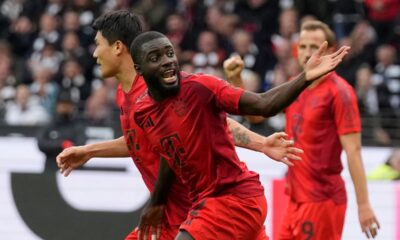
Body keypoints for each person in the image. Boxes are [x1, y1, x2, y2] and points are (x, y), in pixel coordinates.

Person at [56, 10, 304, 240]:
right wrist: (89, 151)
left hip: (195, 211)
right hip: (175, 213)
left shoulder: (160, 88)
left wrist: (261, 144)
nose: (95, 53)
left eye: (98, 45)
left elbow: (212, 122)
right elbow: (141, 142)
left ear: (118, 47)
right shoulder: (126, 94)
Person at [127, 31, 349, 239]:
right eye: (155, 57)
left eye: (169, 53)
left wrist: (305, 77)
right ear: (139, 69)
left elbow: (264, 105)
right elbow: (170, 151)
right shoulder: (141, 112)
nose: (167, 61)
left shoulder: (201, 87)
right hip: (208, 203)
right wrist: (157, 201)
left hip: (234, 199)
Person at [280, 20, 380, 239]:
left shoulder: (340, 93)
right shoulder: (294, 86)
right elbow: (258, 115)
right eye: (303, 46)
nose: (307, 53)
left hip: (322, 201)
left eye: (314, 47)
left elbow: (353, 151)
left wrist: (363, 204)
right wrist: (237, 80)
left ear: (330, 52)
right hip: (293, 199)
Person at [37, 90, 86, 170]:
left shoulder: (78, 126)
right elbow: (41, 144)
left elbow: (81, 145)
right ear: (57, 106)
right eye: (63, 104)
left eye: (68, 104)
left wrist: (67, 147)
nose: (65, 107)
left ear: (72, 107)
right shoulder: (49, 125)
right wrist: (61, 144)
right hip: (52, 169)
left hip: (73, 171)